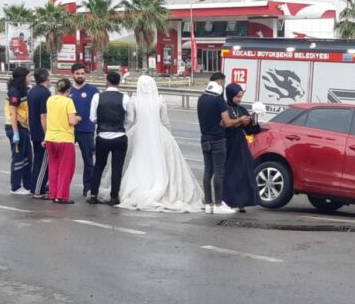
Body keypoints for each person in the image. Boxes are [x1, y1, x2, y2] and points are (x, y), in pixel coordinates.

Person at [97, 75, 204, 212]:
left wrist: (127, 132)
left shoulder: (134, 100)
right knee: (164, 162)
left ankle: (131, 188)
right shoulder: (160, 100)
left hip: (139, 132)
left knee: (135, 160)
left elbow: (130, 120)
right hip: (159, 132)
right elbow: (165, 120)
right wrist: (168, 134)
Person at [197, 72, 241, 215]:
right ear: (220, 81)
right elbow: (227, 122)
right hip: (217, 139)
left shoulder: (201, 98)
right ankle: (218, 203)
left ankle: (208, 204)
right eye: (223, 82)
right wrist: (239, 120)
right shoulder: (218, 100)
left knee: (207, 171)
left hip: (204, 138)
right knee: (218, 172)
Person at [88, 71, 132, 206]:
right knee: (117, 167)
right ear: (119, 82)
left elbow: (92, 118)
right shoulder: (125, 98)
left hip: (102, 135)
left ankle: (94, 194)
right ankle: (114, 196)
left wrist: (102, 123)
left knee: (99, 165)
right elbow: (130, 119)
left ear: (107, 81)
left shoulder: (97, 97)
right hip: (119, 136)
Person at [222, 83, 259, 212]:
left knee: (243, 173)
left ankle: (241, 201)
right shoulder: (224, 109)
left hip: (240, 145)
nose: (239, 99)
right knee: (230, 173)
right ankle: (228, 200)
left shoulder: (241, 109)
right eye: (237, 97)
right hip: (228, 144)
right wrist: (240, 121)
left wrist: (253, 120)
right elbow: (224, 126)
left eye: (241, 97)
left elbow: (250, 131)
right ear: (230, 94)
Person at [45, 78, 82, 204]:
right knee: (66, 169)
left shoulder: (50, 100)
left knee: (53, 167)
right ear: (69, 89)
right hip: (65, 139)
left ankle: (53, 193)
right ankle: (61, 195)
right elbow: (71, 121)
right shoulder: (68, 101)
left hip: (50, 137)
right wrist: (78, 118)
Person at [70, 63, 99, 197]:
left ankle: (88, 188)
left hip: (86, 130)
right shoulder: (67, 90)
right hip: (68, 130)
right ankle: (60, 185)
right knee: (65, 160)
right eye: (77, 74)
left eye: (82, 73)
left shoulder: (93, 90)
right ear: (73, 74)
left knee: (88, 161)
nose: (80, 76)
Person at [5, 66, 32, 195]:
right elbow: (13, 113)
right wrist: (15, 132)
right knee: (18, 158)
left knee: (27, 158)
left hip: (24, 128)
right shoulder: (14, 92)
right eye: (28, 76)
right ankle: (15, 187)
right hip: (15, 128)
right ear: (22, 78)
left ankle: (28, 184)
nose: (30, 78)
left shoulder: (24, 90)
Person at [27, 68, 52, 199]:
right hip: (42, 133)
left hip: (34, 130)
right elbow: (44, 116)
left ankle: (35, 187)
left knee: (37, 161)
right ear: (46, 78)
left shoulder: (32, 91)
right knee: (43, 163)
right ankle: (38, 191)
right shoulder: (45, 93)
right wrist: (47, 134)